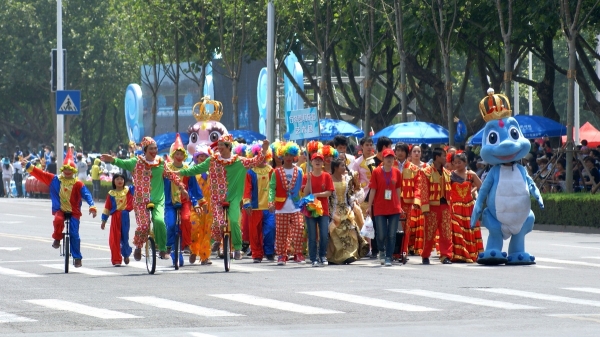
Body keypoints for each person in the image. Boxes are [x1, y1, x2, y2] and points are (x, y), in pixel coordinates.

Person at [179, 135, 269, 260]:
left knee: (233, 221)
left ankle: (237, 248)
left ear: (229, 147)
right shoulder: (212, 160)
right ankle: (217, 239)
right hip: (216, 198)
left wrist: (264, 150)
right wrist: (179, 172)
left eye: (222, 145)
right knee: (217, 222)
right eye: (219, 145)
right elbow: (196, 169)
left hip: (234, 198)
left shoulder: (239, 161)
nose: (219, 147)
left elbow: (255, 161)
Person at [101, 136, 188, 261]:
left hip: (158, 200)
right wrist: (112, 160)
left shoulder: (161, 163)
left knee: (159, 222)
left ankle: (162, 249)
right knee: (144, 225)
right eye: (151, 148)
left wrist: (182, 188)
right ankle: (138, 246)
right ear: (145, 150)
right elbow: (122, 163)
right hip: (141, 200)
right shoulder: (136, 162)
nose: (154, 151)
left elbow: (172, 176)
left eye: (156, 148)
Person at [22, 149, 97, 267]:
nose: (67, 171)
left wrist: (92, 205)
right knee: (58, 220)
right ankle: (57, 237)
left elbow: (86, 194)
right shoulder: (55, 179)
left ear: (73, 171)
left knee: (74, 234)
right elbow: (41, 175)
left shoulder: (78, 183)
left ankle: (77, 257)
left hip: (74, 212)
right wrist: (28, 166)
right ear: (63, 170)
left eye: (70, 170)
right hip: (60, 209)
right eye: (66, 169)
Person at [164, 134, 206, 265]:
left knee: (187, 219)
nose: (179, 156)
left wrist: (200, 201)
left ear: (184, 156)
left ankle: (186, 244)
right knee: (170, 224)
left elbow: (194, 187)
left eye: (181, 154)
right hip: (170, 202)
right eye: (177, 153)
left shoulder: (187, 170)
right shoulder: (167, 169)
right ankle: (170, 245)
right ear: (173, 154)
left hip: (185, 201)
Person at [414, 147, 453, 265]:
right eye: (443, 156)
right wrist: (424, 208)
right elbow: (424, 190)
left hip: (445, 206)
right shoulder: (426, 171)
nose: (445, 158)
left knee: (446, 232)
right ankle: (425, 255)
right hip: (432, 207)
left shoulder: (447, 172)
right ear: (437, 157)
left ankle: (445, 255)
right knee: (429, 233)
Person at [268, 142, 304, 266]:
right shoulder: (276, 172)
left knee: (299, 229)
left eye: (291, 155)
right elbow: (272, 188)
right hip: (281, 207)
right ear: (281, 156)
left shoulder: (299, 171)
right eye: (286, 155)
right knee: (281, 234)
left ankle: (298, 253)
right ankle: (282, 255)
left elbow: (302, 187)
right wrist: (271, 202)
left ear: (295, 155)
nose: (288, 157)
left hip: (296, 205)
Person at [365, 148, 402, 267]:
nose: (389, 159)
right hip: (380, 207)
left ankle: (388, 256)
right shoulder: (376, 172)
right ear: (383, 159)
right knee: (381, 233)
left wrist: (399, 205)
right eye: (387, 157)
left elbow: (398, 189)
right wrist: (369, 206)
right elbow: (373, 190)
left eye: (391, 157)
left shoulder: (397, 172)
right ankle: (381, 250)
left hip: (393, 207)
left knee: (392, 234)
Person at [327, 158, 367, 264]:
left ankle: (350, 255)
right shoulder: (328, 179)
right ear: (335, 168)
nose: (345, 168)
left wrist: (353, 202)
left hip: (346, 208)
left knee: (350, 231)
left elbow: (349, 194)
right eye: (342, 166)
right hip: (334, 209)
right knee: (334, 231)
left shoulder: (348, 178)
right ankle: (336, 256)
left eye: (344, 165)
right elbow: (328, 197)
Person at [243, 144, 275, 263]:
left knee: (271, 228)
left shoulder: (271, 171)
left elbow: (274, 188)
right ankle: (256, 253)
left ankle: (269, 251)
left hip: (269, 207)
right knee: (254, 232)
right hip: (255, 207)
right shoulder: (250, 173)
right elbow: (247, 189)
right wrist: (247, 203)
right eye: (258, 155)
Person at [449, 152, 483, 263]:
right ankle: (458, 254)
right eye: (455, 163)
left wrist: (472, 191)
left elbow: (481, 187)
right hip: (455, 207)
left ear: (465, 162)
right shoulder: (450, 175)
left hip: (468, 207)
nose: (457, 165)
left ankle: (469, 253)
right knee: (457, 229)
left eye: (459, 162)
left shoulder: (471, 175)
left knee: (469, 230)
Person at [302, 152, 334, 267]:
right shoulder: (306, 176)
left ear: (323, 162)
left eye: (320, 160)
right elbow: (305, 193)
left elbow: (329, 192)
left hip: (323, 210)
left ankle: (322, 255)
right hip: (310, 209)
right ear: (311, 162)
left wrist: (317, 194)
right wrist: (309, 181)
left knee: (324, 234)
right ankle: (313, 257)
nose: (317, 162)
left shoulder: (326, 176)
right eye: (315, 160)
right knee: (312, 234)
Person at [100, 173, 133, 266]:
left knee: (124, 237)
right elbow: (107, 208)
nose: (119, 181)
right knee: (114, 238)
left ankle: (126, 254)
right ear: (114, 181)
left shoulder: (128, 190)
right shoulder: (111, 194)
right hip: (115, 217)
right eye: (117, 179)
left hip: (125, 216)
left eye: (121, 179)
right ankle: (116, 259)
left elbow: (138, 188)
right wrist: (103, 221)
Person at [189, 145, 214, 265]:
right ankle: (194, 250)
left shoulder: (212, 172)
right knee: (195, 227)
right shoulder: (192, 172)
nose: (202, 158)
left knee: (207, 231)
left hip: (208, 206)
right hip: (195, 205)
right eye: (200, 156)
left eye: (205, 156)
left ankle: (205, 256)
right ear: (196, 158)